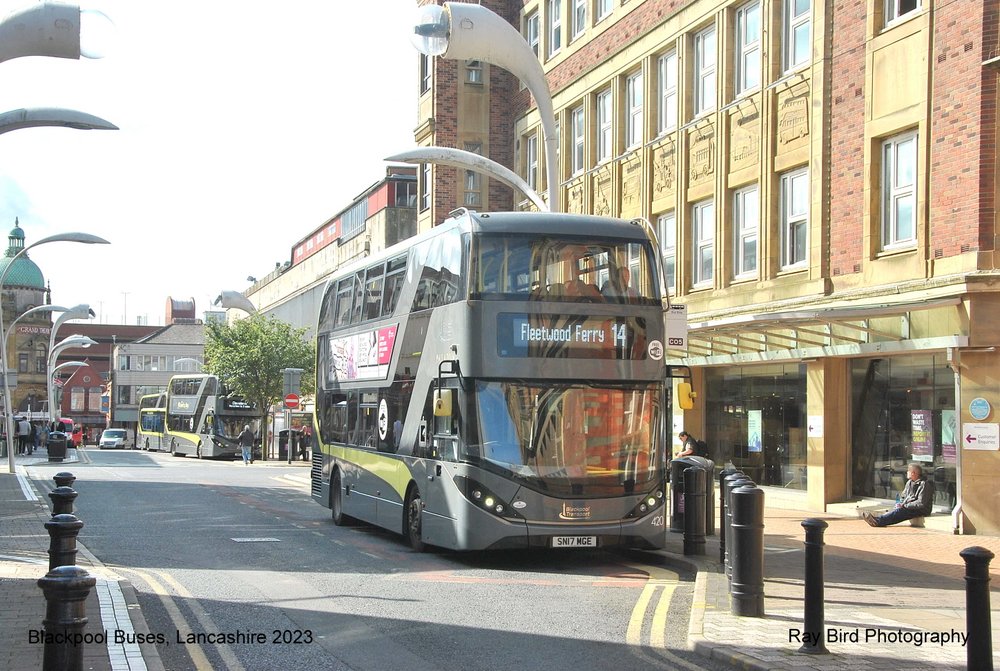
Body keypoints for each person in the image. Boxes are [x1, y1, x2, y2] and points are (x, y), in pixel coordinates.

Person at [864, 463, 935, 527]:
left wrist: (905, 505)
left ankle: (878, 521)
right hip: (909, 506)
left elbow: (920, 503)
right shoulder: (909, 482)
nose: (907, 473)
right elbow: (903, 496)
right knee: (898, 510)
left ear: (913, 473)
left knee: (901, 512)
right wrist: (901, 503)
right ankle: (877, 520)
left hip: (921, 510)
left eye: (908, 471)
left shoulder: (924, 484)